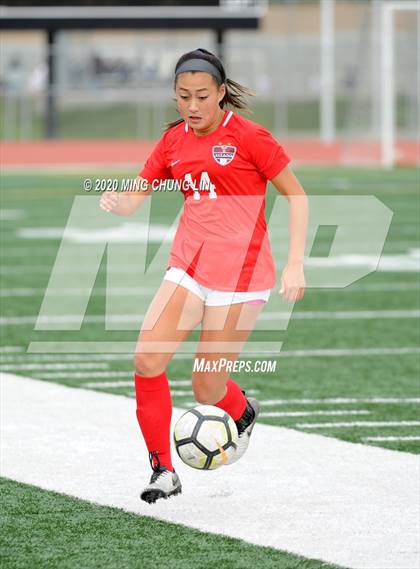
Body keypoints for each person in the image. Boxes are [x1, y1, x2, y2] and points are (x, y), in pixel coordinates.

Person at [100, 48, 308, 504]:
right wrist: (120, 199)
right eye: (182, 96)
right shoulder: (174, 139)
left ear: (220, 94)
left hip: (242, 276)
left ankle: (242, 409)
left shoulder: (252, 138)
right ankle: (163, 470)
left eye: (201, 96)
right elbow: (140, 191)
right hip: (189, 267)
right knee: (146, 359)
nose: (192, 106)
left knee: (207, 385)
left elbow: (297, 196)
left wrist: (295, 262)